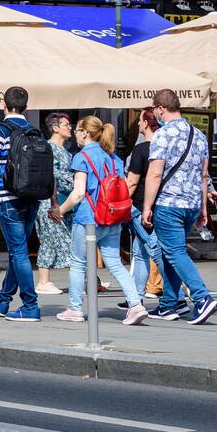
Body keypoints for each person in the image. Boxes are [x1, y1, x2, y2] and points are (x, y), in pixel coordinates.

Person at [51, 116, 146, 325]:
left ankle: (75, 309)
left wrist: (60, 210)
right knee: (115, 264)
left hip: (89, 218)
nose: (75, 134)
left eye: (77, 130)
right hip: (113, 218)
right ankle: (136, 305)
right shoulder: (114, 158)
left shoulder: (82, 157)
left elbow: (78, 194)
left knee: (78, 264)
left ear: (85, 133)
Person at [141, 90, 217, 325]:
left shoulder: (162, 135)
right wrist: (203, 208)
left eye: (155, 109)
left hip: (168, 203)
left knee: (175, 253)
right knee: (169, 253)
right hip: (191, 204)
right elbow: (203, 175)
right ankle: (169, 304)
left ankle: (202, 297)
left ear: (160, 109)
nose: (155, 113)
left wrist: (147, 206)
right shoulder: (199, 135)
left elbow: (155, 174)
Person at [0, 86, 41, 321]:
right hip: (33, 199)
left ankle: (31, 306)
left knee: (19, 252)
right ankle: (3, 299)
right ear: (27, 107)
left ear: (4, 106)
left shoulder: (0, 130)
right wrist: (52, 201)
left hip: (9, 199)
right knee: (17, 251)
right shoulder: (35, 131)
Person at [122, 107, 168, 307]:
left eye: (140, 120)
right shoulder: (166, 147)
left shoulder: (142, 149)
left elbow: (132, 182)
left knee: (154, 249)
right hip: (160, 204)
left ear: (147, 123)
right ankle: (136, 299)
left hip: (141, 206)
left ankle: (178, 295)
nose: (138, 124)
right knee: (140, 253)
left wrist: (120, 201)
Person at [33, 113, 73, 296]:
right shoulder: (49, 148)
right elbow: (51, 175)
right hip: (49, 200)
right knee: (49, 239)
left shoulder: (64, 151)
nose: (70, 127)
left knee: (70, 238)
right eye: (66, 124)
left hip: (63, 199)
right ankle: (43, 281)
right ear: (55, 128)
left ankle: (88, 278)